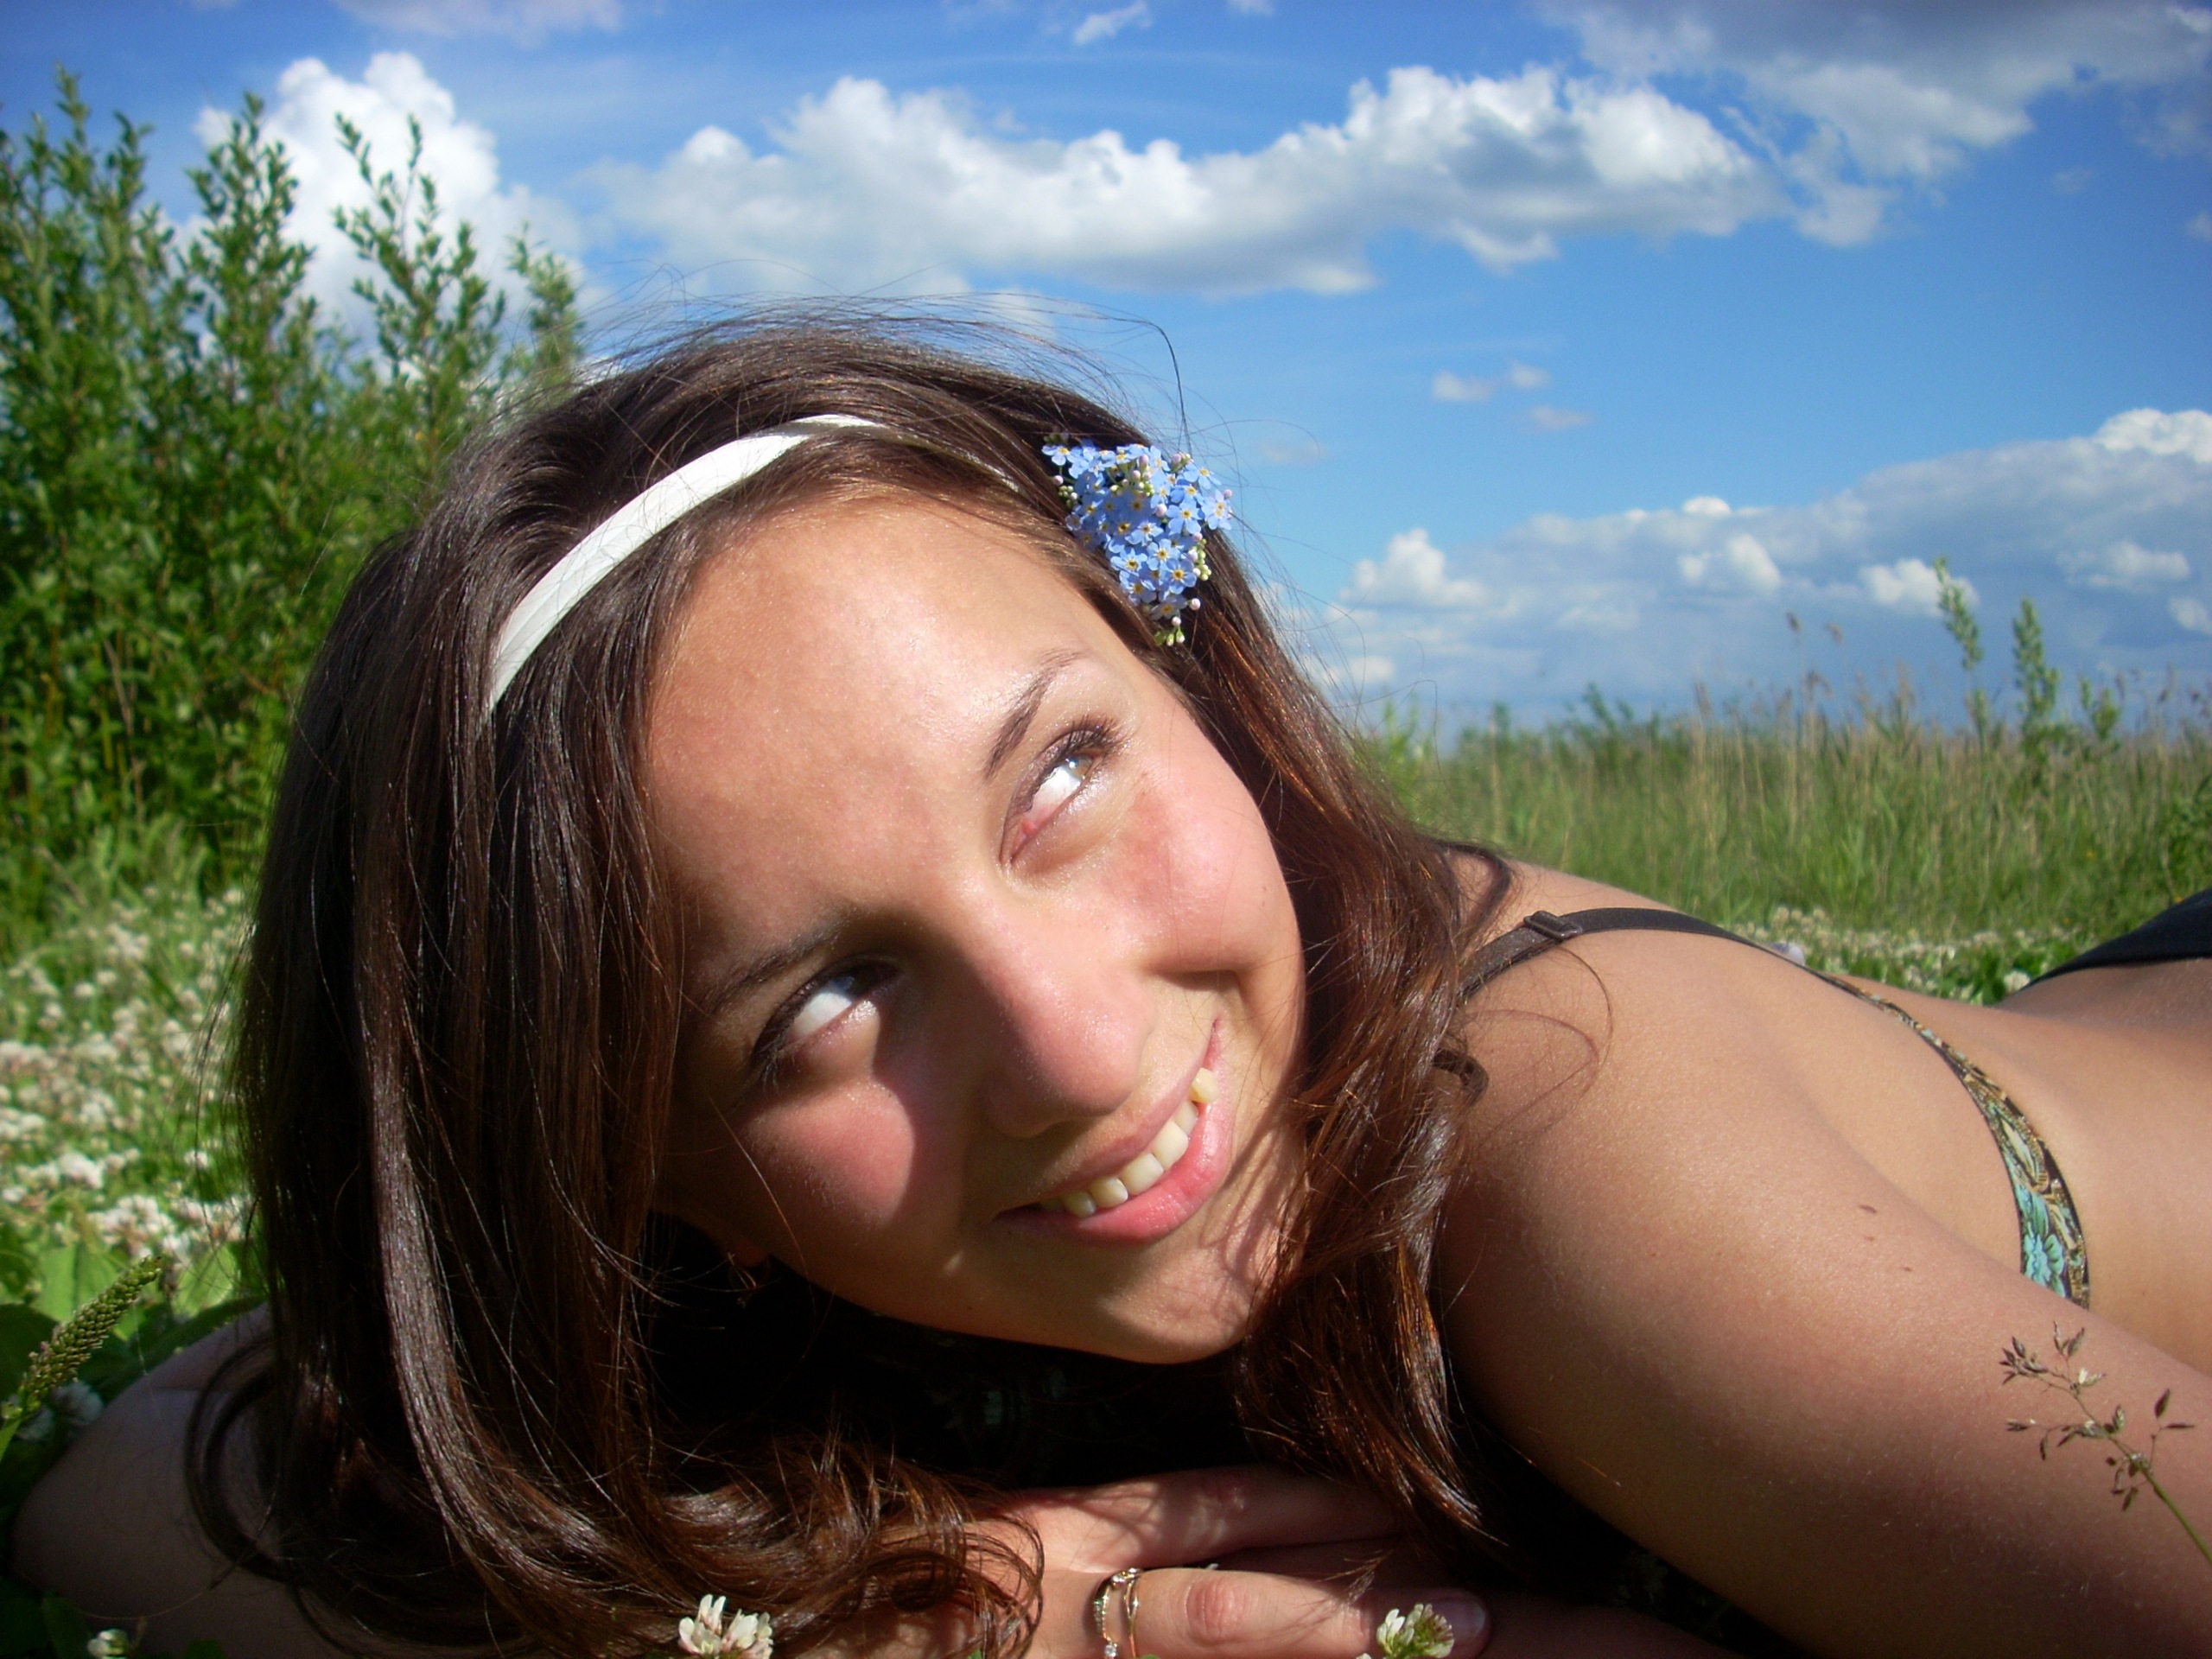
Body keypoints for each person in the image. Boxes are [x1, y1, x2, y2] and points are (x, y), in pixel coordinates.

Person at [16, 320, 2212, 1659]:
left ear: (1197, 687)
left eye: (1061, 774)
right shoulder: (743, 1285)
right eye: (819, 1005)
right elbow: (123, 1470)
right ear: (649, 1185)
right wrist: (880, 1629)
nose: (1070, 1046)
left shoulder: (1562, 1141)